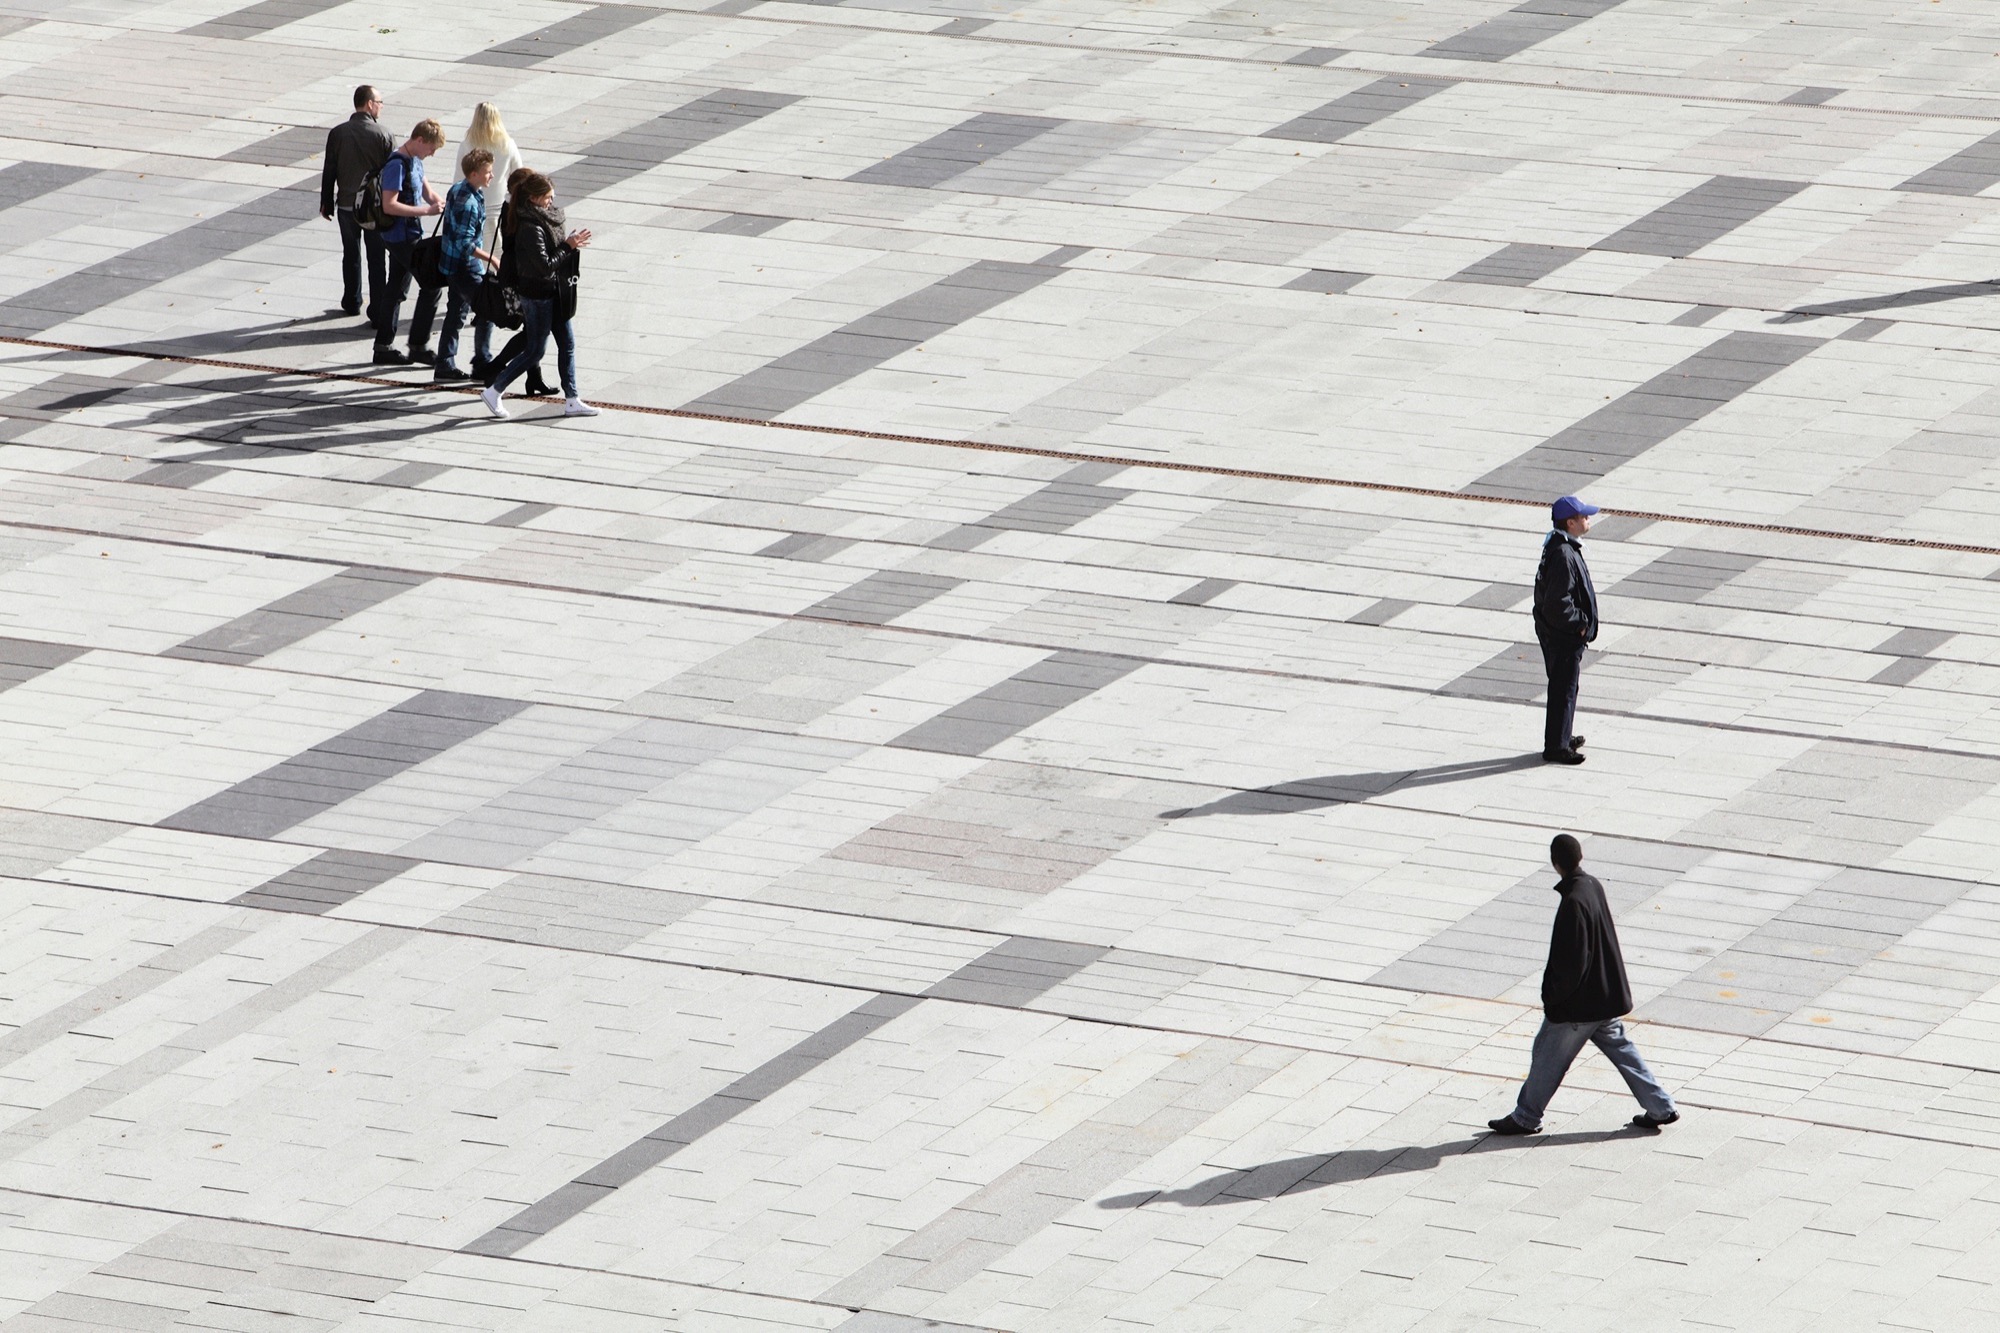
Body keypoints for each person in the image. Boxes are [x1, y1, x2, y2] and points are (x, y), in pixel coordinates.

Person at [1487, 835, 1679, 1136]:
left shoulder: (1573, 902)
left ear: (1555, 863)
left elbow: (1571, 963)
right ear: (1580, 858)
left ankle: (1525, 1116)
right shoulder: (1592, 886)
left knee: (1547, 1055)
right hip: (1606, 996)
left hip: (1580, 1005)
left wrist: (1552, 999)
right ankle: (1660, 1106)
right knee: (1623, 1051)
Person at [481, 172, 598, 419]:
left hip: (553, 293)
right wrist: (568, 246)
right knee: (535, 351)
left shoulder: (541, 217)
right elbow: (544, 266)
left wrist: (568, 244)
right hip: (537, 296)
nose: (551, 202)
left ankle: (572, 399)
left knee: (567, 344)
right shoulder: (529, 226)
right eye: (547, 198)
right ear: (533, 198)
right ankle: (494, 390)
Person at [371, 119, 448, 367]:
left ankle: (383, 346)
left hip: (409, 234)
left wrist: (443, 205)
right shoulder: (397, 164)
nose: (433, 153)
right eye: (432, 148)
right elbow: (389, 205)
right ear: (420, 140)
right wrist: (426, 211)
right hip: (400, 237)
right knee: (432, 283)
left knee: (395, 288)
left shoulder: (415, 161)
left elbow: (427, 192)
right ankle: (417, 345)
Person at [1534, 495, 1599, 765]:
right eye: (1583, 516)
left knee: (1566, 687)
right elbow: (1558, 603)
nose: (1588, 519)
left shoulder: (1562, 545)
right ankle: (1557, 747)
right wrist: (1580, 626)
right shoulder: (1563, 554)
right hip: (1563, 636)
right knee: (1563, 688)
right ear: (1570, 522)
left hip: (1558, 634)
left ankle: (1563, 734)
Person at [319, 85, 393, 318]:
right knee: (376, 258)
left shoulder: (338, 133)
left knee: (350, 254)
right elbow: (393, 173)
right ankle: (378, 308)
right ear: (369, 104)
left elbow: (329, 169)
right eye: (379, 102)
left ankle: (352, 300)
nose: (381, 107)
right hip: (373, 209)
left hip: (346, 205)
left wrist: (326, 201)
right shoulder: (383, 134)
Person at [482, 168, 556, 398]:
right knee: (532, 334)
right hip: (519, 279)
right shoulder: (518, 213)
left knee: (531, 331)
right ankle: (496, 366)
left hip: (516, 275)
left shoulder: (514, 209)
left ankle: (534, 379)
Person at [434, 149, 497, 383]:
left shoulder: (460, 188)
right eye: (488, 172)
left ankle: (444, 362)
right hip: (464, 268)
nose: (491, 176)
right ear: (474, 174)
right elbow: (465, 243)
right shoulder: (470, 202)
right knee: (487, 309)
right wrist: (491, 259)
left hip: (451, 264)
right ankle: (482, 361)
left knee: (456, 312)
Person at [458, 103, 522, 250]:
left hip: (472, 206)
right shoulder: (508, 145)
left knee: (474, 250)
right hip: (498, 206)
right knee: (497, 250)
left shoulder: (467, 144)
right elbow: (520, 176)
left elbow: (459, 178)